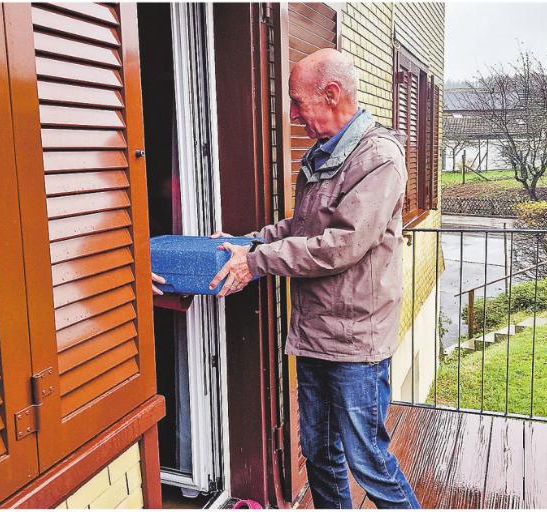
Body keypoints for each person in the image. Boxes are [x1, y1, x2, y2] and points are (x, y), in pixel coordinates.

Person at [209, 48, 420, 509]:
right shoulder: (324, 152)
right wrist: (249, 241)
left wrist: (257, 261)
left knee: (368, 462)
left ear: (331, 93)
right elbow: (302, 227)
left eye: (298, 102)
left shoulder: (378, 159)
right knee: (321, 455)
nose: (293, 114)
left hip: (355, 341)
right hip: (315, 334)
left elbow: (341, 245)